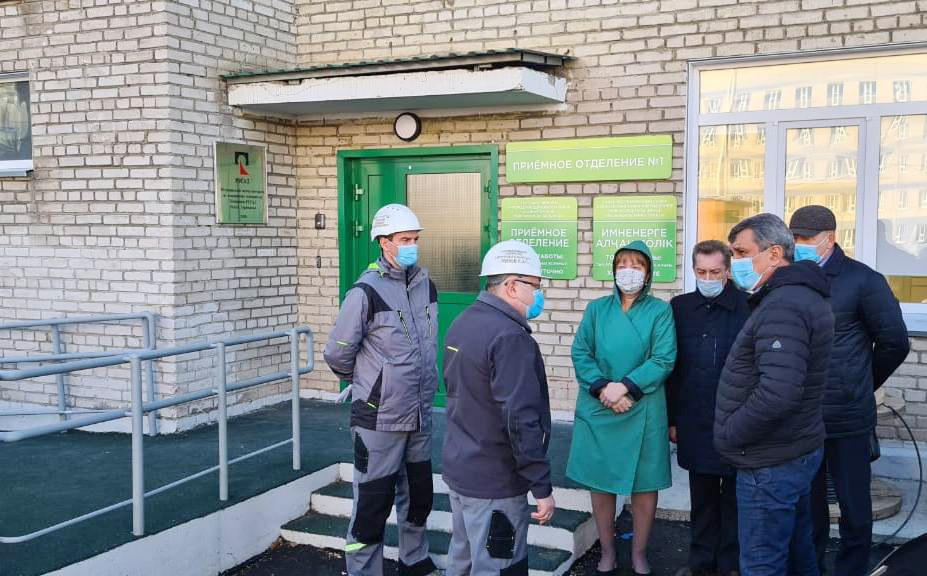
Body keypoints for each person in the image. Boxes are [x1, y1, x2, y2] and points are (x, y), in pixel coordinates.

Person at [789, 205, 911, 576]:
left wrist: (862, 382)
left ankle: (852, 569)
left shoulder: (863, 280)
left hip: (848, 416)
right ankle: (811, 568)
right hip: (802, 415)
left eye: (807, 238)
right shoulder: (792, 278)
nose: (800, 245)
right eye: (795, 238)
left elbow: (894, 342)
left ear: (830, 239)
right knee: (808, 504)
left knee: (854, 505)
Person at [714, 213, 834, 576]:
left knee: (762, 563)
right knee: (798, 556)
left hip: (769, 461)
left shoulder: (784, 304)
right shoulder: (796, 296)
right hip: (791, 450)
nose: (735, 262)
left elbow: (778, 392)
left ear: (775, 253)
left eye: (741, 252)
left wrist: (731, 433)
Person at [323, 204, 439, 576]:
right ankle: (363, 570)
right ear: (384, 242)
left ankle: (414, 560)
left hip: (418, 414)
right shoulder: (365, 291)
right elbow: (338, 352)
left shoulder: (426, 285)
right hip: (378, 417)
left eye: (415, 239)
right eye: (405, 239)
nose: (412, 246)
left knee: (418, 497)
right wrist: (370, 384)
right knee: (372, 505)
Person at [442, 239, 555, 576]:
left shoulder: (463, 321)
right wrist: (541, 486)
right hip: (496, 482)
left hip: (462, 471)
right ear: (511, 286)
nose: (539, 294)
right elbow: (520, 419)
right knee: (500, 567)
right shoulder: (510, 337)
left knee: (462, 563)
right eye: (535, 286)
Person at [567, 240, 677, 576]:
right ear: (613, 271)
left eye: (637, 266)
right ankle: (608, 551)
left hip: (642, 404)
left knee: (645, 484)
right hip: (600, 404)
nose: (628, 272)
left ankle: (639, 552)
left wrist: (626, 386)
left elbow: (663, 358)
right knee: (600, 483)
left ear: (648, 273)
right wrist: (604, 388)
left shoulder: (660, 311)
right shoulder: (597, 309)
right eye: (622, 265)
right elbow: (581, 352)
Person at [666, 240, 750, 576]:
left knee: (734, 500)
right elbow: (672, 369)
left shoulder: (749, 307)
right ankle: (700, 564)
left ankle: (730, 565)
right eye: (701, 271)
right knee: (701, 499)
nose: (708, 278)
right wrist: (672, 419)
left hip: (736, 420)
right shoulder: (681, 307)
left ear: (728, 271)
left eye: (715, 272)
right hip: (694, 418)